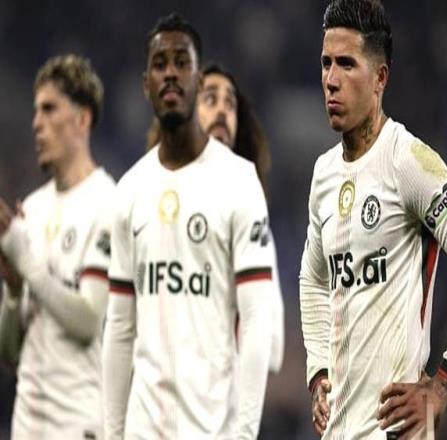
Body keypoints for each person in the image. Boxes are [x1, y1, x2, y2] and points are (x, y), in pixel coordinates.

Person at [299, 1, 447, 439]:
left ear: (380, 78)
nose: (331, 79)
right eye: (326, 63)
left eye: (346, 64)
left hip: (394, 431)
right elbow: (312, 277)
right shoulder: (324, 173)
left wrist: (442, 386)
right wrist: (318, 371)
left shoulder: (407, 161)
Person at [103, 14, 273, 440]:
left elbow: (257, 321)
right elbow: (119, 329)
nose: (171, 73)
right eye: (160, 64)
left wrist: (244, 434)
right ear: (146, 84)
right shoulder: (129, 191)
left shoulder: (239, 181)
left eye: (182, 62)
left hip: (212, 429)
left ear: (197, 81)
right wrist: (112, 433)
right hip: (142, 429)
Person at [0, 54, 115, 439]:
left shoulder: (107, 203)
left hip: (77, 426)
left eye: (49, 109)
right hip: (26, 427)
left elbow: (87, 320)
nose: (36, 123)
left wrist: (26, 261)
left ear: (82, 119)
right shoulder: (31, 210)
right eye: (36, 111)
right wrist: (14, 289)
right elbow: (9, 352)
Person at [146, 62, 285, 374]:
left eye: (230, 103)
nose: (222, 109)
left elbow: (273, 347)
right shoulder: (147, 203)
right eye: (209, 99)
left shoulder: (250, 218)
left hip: (220, 398)